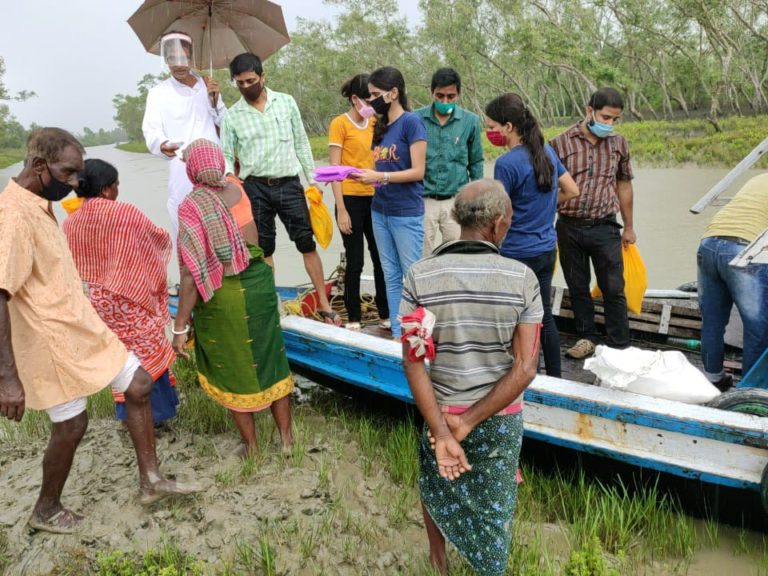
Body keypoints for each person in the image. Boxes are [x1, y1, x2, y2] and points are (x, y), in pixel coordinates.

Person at [0, 128, 197, 534]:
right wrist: (8, 379)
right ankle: (46, 509)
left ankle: (151, 481)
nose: (75, 183)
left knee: (139, 382)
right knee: (71, 426)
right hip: (50, 340)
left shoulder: (39, 202)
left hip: (81, 328)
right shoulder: (13, 216)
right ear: (39, 167)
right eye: (69, 173)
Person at [401, 179, 542, 576]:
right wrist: (469, 422)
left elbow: (413, 362)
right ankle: (489, 568)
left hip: (438, 412)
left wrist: (445, 431)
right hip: (498, 415)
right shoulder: (522, 279)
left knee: (437, 485)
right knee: (496, 501)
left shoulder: (420, 276)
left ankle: (438, 561)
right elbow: (526, 367)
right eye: (510, 220)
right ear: (498, 224)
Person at [172, 139, 294, 458]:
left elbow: (191, 272)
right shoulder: (238, 189)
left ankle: (252, 447)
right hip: (258, 286)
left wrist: (180, 326)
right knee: (271, 358)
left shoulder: (192, 205)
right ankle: (286, 440)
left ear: (192, 168)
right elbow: (254, 242)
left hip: (221, 293)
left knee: (232, 367)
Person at [220, 52, 340, 325]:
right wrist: (229, 177)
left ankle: (322, 302)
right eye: (239, 83)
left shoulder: (286, 103)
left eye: (251, 80)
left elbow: (301, 143)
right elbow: (226, 154)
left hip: (288, 183)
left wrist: (313, 182)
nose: (246, 86)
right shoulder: (232, 116)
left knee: (306, 243)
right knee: (265, 251)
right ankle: (269, 306)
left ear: (262, 77)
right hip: (255, 187)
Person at [63, 159, 179, 424]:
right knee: (148, 350)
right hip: (132, 296)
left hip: (99, 302)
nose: (118, 190)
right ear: (105, 189)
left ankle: (128, 416)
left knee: (122, 357)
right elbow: (157, 237)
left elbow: (74, 264)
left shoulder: (71, 223)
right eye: (116, 185)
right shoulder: (124, 212)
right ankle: (158, 414)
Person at [485, 93, 580, 378]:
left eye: (492, 126)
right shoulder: (547, 152)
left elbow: (502, 213)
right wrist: (547, 207)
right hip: (546, 249)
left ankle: (520, 375)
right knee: (543, 315)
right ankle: (554, 377)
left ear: (509, 127)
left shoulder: (507, 164)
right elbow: (572, 190)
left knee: (514, 317)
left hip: (516, 252)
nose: (490, 132)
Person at [550, 87, 636, 359]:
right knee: (578, 286)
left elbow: (624, 185)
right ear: (589, 111)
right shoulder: (559, 144)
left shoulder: (618, 144)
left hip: (605, 226)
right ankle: (587, 338)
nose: (609, 124)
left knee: (613, 287)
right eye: (605, 117)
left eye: (615, 119)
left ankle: (619, 345)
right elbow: (548, 189)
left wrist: (630, 225)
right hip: (569, 225)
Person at [350, 66, 427, 339]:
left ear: (393, 93)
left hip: (405, 213)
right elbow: (384, 174)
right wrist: (368, 179)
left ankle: (417, 333)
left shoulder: (411, 123)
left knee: (412, 277)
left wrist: (380, 175)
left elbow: (418, 171)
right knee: (390, 275)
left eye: (374, 95)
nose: (371, 101)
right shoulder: (379, 128)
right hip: (380, 210)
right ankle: (398, 333)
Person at [142, 32, 226, 238]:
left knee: (224, 230)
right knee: (189, 233)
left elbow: (227, 126)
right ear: (166, 60)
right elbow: (151, 129)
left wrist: (215, 102)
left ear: (191, 58)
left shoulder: (208, 86)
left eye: (183, 58)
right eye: (172, 59)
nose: (179, 65)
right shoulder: (158, 93)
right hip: (182, 169)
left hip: (215, 165)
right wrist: (162, 144)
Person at [328, 74, 389, 330]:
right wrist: (341, 209)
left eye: (375, 99)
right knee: (355, 260)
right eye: (367, 99)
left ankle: (385, 312)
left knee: (380, 257)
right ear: (355, 99)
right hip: (350, 199)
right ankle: (354, 316)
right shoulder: (340, 124)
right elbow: (334, 170)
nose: (371, 104)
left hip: (375, 199)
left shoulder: (377, 123)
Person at [697, 173, 768, 391]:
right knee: (758, 327)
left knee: (712, 320)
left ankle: (713, 379)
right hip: (744, 248)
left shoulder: (758, 178)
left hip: (708, 244)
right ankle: (750, 390)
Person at [416, 68, 484, 255]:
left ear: (458, 95)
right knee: (420, 255)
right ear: (432, 92)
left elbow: (476, 162)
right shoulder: (416, 119)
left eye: (450, 97)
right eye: (440, 96)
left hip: (455, 200)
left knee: (456, 253)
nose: (445, 101)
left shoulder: (470, 121)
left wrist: (475, 200)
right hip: (423, 199)